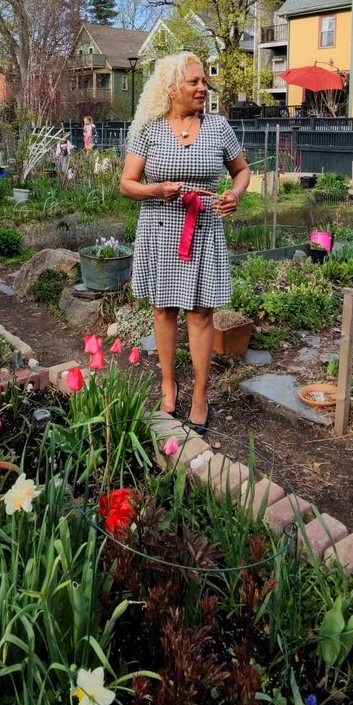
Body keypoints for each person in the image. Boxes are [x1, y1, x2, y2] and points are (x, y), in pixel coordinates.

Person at [120, 53, 250, 430]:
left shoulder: (219, 127)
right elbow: (127, 184)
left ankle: (200, 393)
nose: (202, 88)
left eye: (204, 82)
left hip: (204, 228)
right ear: (171, 86)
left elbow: (241, 171)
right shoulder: (149, 128)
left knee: (200, 312)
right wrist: (156, 190)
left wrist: (236, 195)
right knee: (163, 310)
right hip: (161, 228)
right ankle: (168, 384)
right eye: (194, 82)